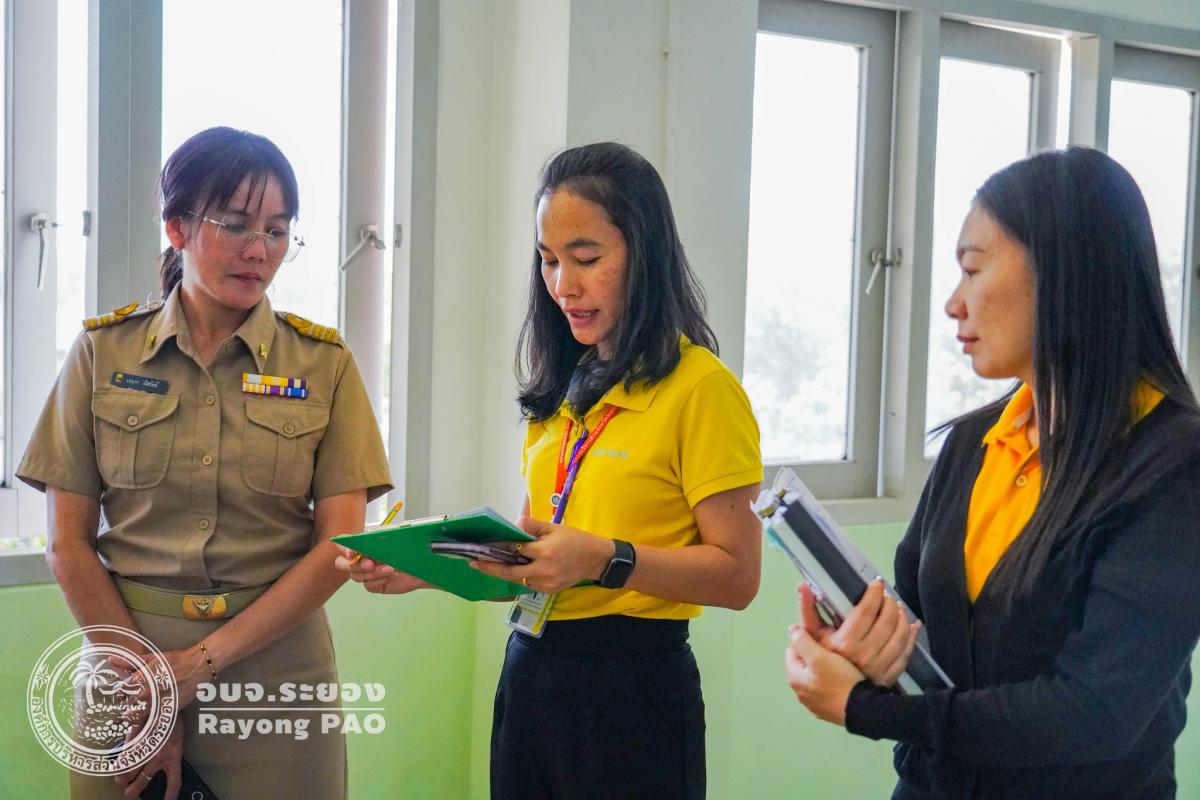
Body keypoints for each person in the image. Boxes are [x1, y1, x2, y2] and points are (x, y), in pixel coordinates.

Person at [339, 142, 763, 799]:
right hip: (534, 673)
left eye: (586, 259)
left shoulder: (702, 389)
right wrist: (426, 567)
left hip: (632, 690)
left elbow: (738, 576)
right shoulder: (567, 385)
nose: (564, 284)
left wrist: (604, 558)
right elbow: (538, 561)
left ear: (644, 254)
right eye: (548, 260)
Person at [784, 147, 1200, 799]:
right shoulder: (973, 442)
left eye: (973, 269)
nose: (954, 303)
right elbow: (924, 633)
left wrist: (866, 710)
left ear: (1062, 273)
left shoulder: (1173, 462)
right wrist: (868, 648)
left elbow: (1097, 712)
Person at [17, 126, 392, 800]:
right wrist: (153, 687)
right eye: (236, 224)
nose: (260, 250)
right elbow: (66, 544)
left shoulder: (324, 364)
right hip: (125, 667)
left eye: (278, 230)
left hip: (276, 673)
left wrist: (199, 664)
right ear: (178, 227)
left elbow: (339, 542)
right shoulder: (102, 353)